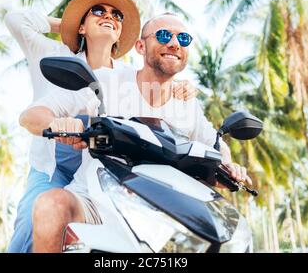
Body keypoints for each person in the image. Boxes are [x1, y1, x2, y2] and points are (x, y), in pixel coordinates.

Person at [19, 13, 252, 252]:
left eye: (183, 38)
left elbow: (213, 142)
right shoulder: (105, 82)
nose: (174, 43)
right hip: (97, 199)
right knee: (51, 204)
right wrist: (60, 124)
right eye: (163, 35)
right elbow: (32, 115)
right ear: (140, 46)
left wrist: (228, 164)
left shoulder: (187, 102)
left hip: (163, 208)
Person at [4, 0, 198, 252]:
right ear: (82, 26)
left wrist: (178, 88)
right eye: (99, 11)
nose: (109, 16)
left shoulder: (128, 76)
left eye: (116, 16)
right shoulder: (55, 53)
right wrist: (71, 26)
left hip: (104, 169)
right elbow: (16, 19)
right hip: (55, 164)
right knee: (32, 223)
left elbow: (157, 90)